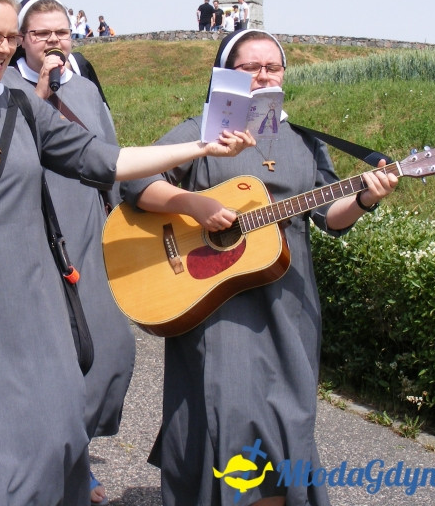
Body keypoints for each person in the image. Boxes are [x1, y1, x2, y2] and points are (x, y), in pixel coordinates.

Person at [0, 0, 253, 506]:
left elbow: (105, 161)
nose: (4, 47)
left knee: (58, 432)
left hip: (37, 294)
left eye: (11, 37)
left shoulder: (22, 105)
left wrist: (200, 146)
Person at [121, 29, 398, 506]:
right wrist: (196, 206)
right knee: (225, 412)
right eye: (251, 67)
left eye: (273, 67)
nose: (264, 75)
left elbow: (329, 218)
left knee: (287, 416)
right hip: (214, 300)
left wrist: (366, 199)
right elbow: (135, 182)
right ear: (226, 75)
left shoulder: (305, 142)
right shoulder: (199, 131)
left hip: (288, 299)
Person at [4, 0, 135, 505]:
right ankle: (65, 465)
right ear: (22, 40)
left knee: (108, 350)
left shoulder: (85, 89)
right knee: (52, 356)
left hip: (87, 229)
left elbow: (111, 156)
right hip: (34, 230)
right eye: (41, 33)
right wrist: (37, 94)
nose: (54, 41)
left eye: (61, 32)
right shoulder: (6, 87)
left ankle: (71, 450)